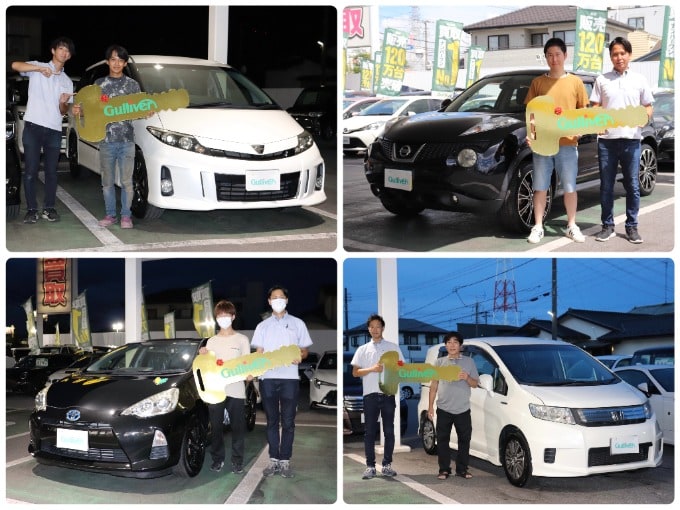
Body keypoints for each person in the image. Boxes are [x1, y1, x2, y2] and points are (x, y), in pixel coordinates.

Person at [524, 37, 590, 244]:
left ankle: (571, 225)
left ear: (565, 56)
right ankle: (538, 226)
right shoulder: (538, 83)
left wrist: (580, 130)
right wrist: (532, 136)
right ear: (545, 58)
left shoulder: (575, 82)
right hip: (543, 144)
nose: (554, 59)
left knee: (570, 186)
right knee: (540, 186)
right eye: (550, 55)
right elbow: (531, 113)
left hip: (568, 143)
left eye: (557, 55)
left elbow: (583, 111)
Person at [590, 37, 654, 244]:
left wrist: (643, 119)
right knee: (606, 186)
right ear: (611, 57)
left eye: (622, 53)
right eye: (615, 54)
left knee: (633, 186)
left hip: (632, 141)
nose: (619, 57)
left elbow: (648, 107)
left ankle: (632, 227)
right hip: (607, 141)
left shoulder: (640, 80)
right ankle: (607, 226)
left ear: (629, 55)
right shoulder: (602, 79)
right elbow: (595, 106)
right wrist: (599, 118)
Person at [73, 45, 141, 229]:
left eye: (120, 60)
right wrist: (81, 111)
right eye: (113, 59)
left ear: (125, 63)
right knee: (107, 182)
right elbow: (91, 112)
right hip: (106, 141)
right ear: (107, 62)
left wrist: (147, 111)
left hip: (127, 141)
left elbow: (140, 111)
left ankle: (126, 216)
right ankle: (110, 215)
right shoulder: (99, 85)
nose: (116, 63)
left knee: (127, 182)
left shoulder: (133, 86)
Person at [11, 37, 75, 224]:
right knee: (30, 171)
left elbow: (63, 111)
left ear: (69, 56)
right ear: (53, 50)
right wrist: (38, 69)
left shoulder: (67, 81)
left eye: (68, 51)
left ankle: (49, 208)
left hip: (54, 130)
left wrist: (63, 103)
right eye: (61, 48)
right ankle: (31, 210)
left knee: (51, 172)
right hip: (33, 127)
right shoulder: (37, 67)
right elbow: (15, 65)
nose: (64, 52)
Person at [251, 285, 312, 479]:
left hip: (289, 378)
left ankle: (285, 461)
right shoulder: (262, 326)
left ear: (286, 300)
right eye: (274, 297)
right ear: (269, 301)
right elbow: (258, 353)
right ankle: (273, 461)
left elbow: (305, 350)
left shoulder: (297, 323)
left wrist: (300, 356)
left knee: (288, 422)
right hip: (267, 378)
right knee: (271, 421)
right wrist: (252, 369)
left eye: (281, 297)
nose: (278, 300)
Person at [198, 300, 251, 474]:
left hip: (236, 389)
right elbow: (207, 367)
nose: (223, 319)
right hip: (215, 391)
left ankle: (237, 460)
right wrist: (203, 354)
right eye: (220, 316)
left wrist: (250, 374)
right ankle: (217, 459)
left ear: (233, 317)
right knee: (216, 428)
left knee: (237, 428)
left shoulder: (242, 339)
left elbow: (248, 364)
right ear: (216, 318)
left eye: (226, 315)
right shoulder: (211, 341)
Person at [351, 314, 405, 480]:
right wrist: (372, 369)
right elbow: (355, 372)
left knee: (389, 431)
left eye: (378, 326)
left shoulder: (393, 347)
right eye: (372, 327)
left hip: (388, 394)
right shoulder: (363, 349)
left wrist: (391, 369)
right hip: (370, 395)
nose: (375, 329)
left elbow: (402, 368)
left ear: (383, 328)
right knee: (369, 432)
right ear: (368, 329)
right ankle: (370, 466)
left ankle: (387, 465)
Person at [427, 332, 478, 480]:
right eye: (449, 342)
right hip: (443, 408)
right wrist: (430, 407)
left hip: (463, 409)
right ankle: (444, 470)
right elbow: (434, 386)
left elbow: (475, 384)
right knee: (442, 440)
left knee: (464, 440)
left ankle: (462, 470)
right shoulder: (439, 363)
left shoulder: (469, 362)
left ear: (460, 346)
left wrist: (467, 377)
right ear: (445, 345)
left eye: (455, 342)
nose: (452, 345)